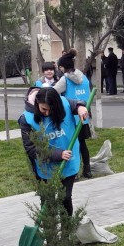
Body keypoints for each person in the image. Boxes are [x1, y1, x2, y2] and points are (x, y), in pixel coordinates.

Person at [19, 87, 89, 215]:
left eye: (51, 110)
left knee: (65, 198)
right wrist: (57, 154)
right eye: (43, 109)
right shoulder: (26, 119)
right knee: (47, 201)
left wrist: (80, 107)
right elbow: (30, 148)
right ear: (37, 104)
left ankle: (66, 231)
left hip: (69, 162)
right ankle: (49, 231)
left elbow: (77, 103)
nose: (47, 113)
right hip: (45, 166)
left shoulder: (64, 103)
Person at [54, 48, 93, 178]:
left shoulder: (65, 80)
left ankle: (73, 172)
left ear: (62, 67)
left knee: (71, 146)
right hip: (84, 117)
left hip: (71, 118)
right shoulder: (84, 78)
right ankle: (87, 169)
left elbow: (53, 93)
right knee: (82, 144)